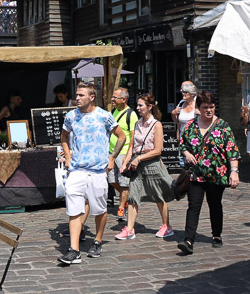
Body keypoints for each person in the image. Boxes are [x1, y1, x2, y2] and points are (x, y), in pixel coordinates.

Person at [58, 82, 127, 264]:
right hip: (77, 170)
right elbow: (64, 136)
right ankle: (74, 250)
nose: (77, 98)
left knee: (99, 209)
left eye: (81, 95)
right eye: (77, 95)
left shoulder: (104, 116)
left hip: (97, 170)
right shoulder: (71, 116)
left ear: (92, 97)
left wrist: (112, 157)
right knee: (74, 209)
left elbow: (122, 136)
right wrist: (67, 155)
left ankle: (97, 239)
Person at [178, 91, 240, 255]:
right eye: (205, 107)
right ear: (198, 108)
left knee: (215, 205)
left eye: (212, 107)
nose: (209, 110)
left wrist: (234, 171)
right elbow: (182, 143)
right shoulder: (191, 125)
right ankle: (188, 240)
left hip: (216, 174)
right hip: (195, 174)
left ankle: (216, 235)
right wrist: (186, 154)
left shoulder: (223, 126)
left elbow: (232, 151)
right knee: (193, 207)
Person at [118, 94, 176, 240]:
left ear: (149, 107)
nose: (137, 108)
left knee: (158, 195)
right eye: (137, 105)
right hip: (137, 166)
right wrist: (126, 161)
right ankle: (130, 229)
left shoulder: (156, 125)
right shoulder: (137, 123)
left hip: (152, 164)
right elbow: (132, 145)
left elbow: (158, 150)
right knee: (133, 196)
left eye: (141, 105)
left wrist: (139, 158)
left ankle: (166, 226)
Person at [106, 88, 138, 225]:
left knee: (124, 182)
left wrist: (128, 156)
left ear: (123, 99)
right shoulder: (113, 112)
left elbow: (132, 136)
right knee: (111, 180)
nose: (112, 99)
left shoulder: (131, 115)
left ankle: (121, 208)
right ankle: (126, 197)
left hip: (124, 152)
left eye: (115, 97)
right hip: (111, 152)